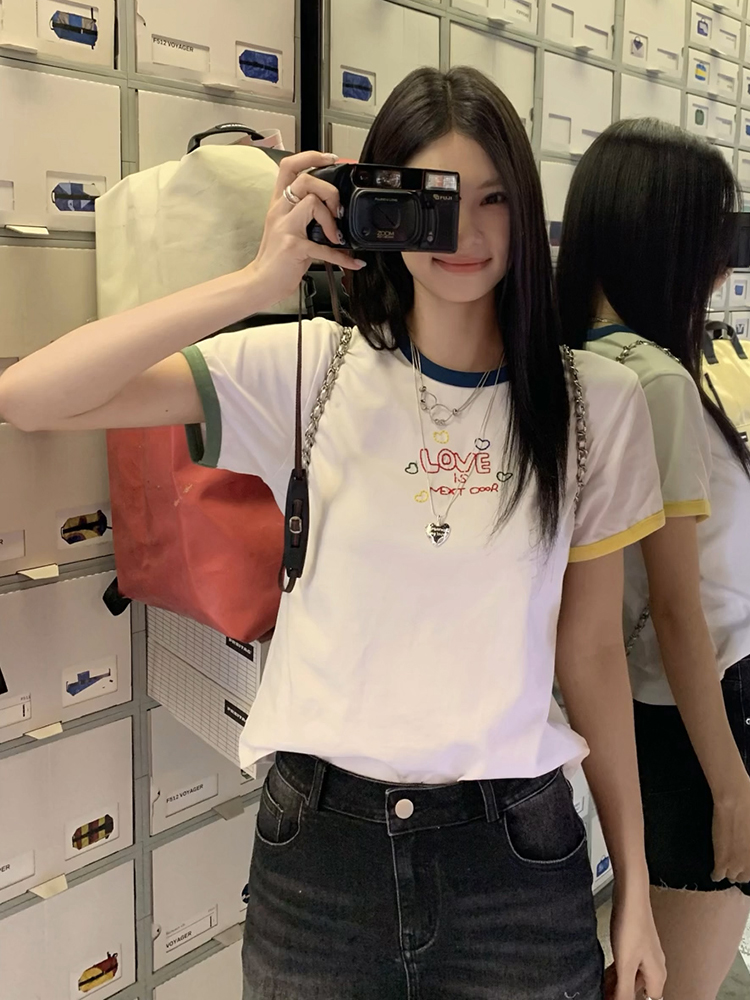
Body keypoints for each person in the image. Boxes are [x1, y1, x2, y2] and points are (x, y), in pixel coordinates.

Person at [0, 69, 666, 1000]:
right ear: (380, 209)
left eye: (494, 200)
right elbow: (32, 397)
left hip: (513, 863)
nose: (467, 234)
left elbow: (590, 652)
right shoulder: (308, 368)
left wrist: (636, 886)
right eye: (435, 202)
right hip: (320, 861)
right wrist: (254, 282)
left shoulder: (595, 404)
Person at [557, 117, 750, 1000]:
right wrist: (731, 784)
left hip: (652, 707)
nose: (720, 269)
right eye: (711, 243)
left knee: (651, 965)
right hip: (698, 714)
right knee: (677, 983)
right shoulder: (658, 382)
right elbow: (678, 610)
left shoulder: (570, 357)